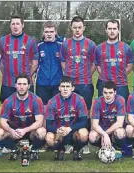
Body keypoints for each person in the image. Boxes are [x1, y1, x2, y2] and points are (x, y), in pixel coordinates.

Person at [61, 16, 96, 154]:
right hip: (70, 85)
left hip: (85, 83)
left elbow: (94, 64)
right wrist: (69, 76)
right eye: (74, 27)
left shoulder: (91, 44)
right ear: (71, 28)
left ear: (84, 28)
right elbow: (63, 62)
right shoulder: (65, 44)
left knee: (85, 113)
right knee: (69, 112)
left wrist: (86, 74)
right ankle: (68, 142)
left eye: (79, 27)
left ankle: (84, 142)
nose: (77, 30)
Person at [0, 74, 46, 161]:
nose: (21, 87)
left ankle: (33, 150)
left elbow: (39, 122)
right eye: (19, 84)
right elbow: (2, 121)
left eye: (24, 84)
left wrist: (25, 130)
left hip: (30, 131)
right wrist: (11, 131)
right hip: (14, 131)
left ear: (29, 86)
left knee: (42, 131)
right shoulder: (8, 101)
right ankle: (15, 149)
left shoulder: (36, 100)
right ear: (15, 85)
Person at [43, 76, 89, 161]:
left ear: (72, 88)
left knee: (84, 133)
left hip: (74, 131)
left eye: (67, 86)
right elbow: (48, 125)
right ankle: (61, 150)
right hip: (60, 133)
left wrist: (70, 128)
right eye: (63, 86)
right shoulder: (52, 102)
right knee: (49, 138)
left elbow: (84, 122)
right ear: (59, 88)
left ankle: (76, 150)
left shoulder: (79, 100)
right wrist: (58, 130)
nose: (65, 89)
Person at [0, 15, 39, 104]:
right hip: (8, 84)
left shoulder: (31, 41)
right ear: (10, 25)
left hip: (26, 84)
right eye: (13, 24)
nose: (15, 26)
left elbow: (35, 63)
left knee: (28, 111)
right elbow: (1, 62)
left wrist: (26, 76)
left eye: (18, 24)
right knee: (7, 111)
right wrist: (7, 74)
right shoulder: (2, 41)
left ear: (22, 25)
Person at [95, 19, 134, 101]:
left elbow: (130, 65)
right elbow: (97, 65)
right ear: (106, 30)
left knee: (122, 109)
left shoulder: (126, 47)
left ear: (118, 30)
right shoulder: (99, 48)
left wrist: (121, 75)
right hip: (104, 83)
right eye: (109, 29)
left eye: (114, 28)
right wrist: (105, 75)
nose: (112, 31)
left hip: (121, 84)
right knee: (103, 110)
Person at [89, 81, 126, 159]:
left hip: (115, 128)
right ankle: (102, 148)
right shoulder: (97, 102)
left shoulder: (120, 100)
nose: (108, 95)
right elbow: (94, 124)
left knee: (120, 133)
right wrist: (104, 134)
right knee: (92, 137)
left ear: (115, 92)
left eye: (110, 92)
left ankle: (117, 148)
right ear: (102, 92)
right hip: (101, 128)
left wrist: (105, 134)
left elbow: (119, 123)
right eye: (105, 93)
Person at [36, 21, 65, 104]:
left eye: (51, 32)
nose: (49, 34)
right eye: (46, 32)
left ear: (55, 32)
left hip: (57, 82)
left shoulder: (61, 45)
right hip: (42, 83)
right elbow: (34, 63)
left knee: (57, 108)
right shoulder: (38, 46)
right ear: (43, 32)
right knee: (42, 109)